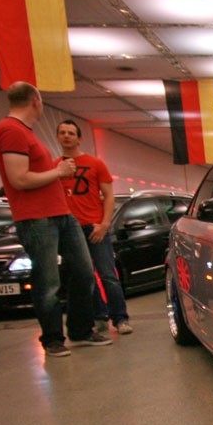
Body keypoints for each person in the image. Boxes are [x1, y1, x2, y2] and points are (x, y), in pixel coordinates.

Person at [0, 82, 112, 356]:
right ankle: (53, 338)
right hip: (37, 218)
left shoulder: (25, 132)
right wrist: (58, 172)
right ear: (36, 101)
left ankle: (80, 330)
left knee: (84, 272)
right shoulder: (10, 130)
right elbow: (19, 179)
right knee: (48, 282)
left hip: (61, 214)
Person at [56, 119, 132, 335]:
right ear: (58, 137)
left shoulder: (95, 164)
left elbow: (109, 196)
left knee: (108, 274)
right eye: (62, 133)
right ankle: (99, 316)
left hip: (95, 228)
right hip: (70, 230)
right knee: (84, 276)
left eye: (71, 133)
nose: (67, 136)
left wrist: (104, 224)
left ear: (79, 139)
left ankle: (120, 318)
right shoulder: (55, 167)